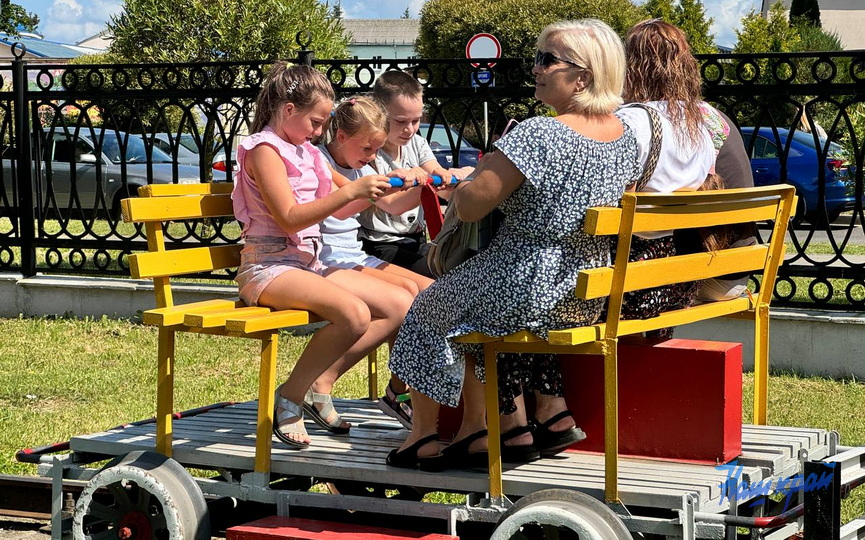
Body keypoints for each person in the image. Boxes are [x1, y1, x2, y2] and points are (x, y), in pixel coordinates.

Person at [384, 19, 640, 471]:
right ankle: (479, 432)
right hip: (582, 289)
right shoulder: (625, 138)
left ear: (583, 77)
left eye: (547, 60)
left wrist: (481, 170)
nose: (535, 68)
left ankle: (422, 437)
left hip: (524, 278)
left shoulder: (539, 133)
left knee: (425, 310)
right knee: (467, 314)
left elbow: (472, 204)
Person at [232, 62, 414, 449]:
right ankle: (290, 396)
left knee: (399, 304)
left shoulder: (306, 152)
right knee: (354, 314)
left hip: (306, 263)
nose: (319, 132)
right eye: (316, 122)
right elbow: (290, 217)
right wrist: (351, 191)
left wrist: (378, 187)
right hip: (268, 266)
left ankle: (319, 386)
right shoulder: (264, 150)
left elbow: (344, 207)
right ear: (288, 110)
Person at [316, 95, 435, 428]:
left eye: (375, 151)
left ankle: (401, 390)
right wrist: (387, 182)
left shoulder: (360, 166)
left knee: (428, 293)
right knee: (403, 301)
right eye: (368, 149)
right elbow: (351, 199)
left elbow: (394, 206)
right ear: (341, 137)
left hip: (351, 254)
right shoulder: (321, 160)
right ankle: (325, 379)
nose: (371, 158)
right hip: (326, 257)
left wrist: (418, 185)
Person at [614, 18, 731, 325]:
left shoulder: (630, 122)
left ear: (633, 66)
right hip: (679, 283)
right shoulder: (699, 126)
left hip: (630, 287)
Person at [358, 71, 468, 278]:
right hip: (380, 244)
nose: (409, 129)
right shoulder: (369, 152)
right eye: (400, 122)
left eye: (416, 121)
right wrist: (425, 185)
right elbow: (392, 204)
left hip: (414, 239)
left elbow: (436, 172)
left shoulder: (417, 143)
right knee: (434, 274)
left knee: (459, 266)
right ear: (379, 113)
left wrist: (456, 179)